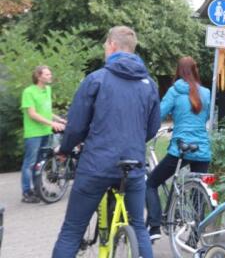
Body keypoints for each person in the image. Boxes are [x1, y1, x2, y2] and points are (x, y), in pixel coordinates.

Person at [52, 26, 160, 258]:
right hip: (132, 166)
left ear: (111, 45)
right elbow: (151, 129)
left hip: (96, 166)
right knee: (139, 227)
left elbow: (76, 126)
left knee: (72, 230)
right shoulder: (149, 84)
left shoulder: (96, 79)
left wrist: (66, 148)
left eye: (104, 46)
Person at [146, 56, 211, 241]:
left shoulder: (174, 91)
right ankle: (195, 238)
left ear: (178, 71)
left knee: (150, 184)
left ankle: (155, 227)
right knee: (198, 195)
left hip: (180, 149)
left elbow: (158, 115)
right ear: (196, 70)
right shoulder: (206, 93)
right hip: (202, 150)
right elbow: (204, 118)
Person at [20, 65, 67, 203]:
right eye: (47, 74)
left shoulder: (48, 89)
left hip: (46, 132)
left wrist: (59, 119)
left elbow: (46, 111)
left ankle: (37, 189)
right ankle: (26, 192)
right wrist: (52, 124)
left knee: (40, 162)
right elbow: (32, 114)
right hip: (34, 133)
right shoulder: (29, 92)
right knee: (30, 163)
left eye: (49, 74)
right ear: (38, 76)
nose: (50, 76)